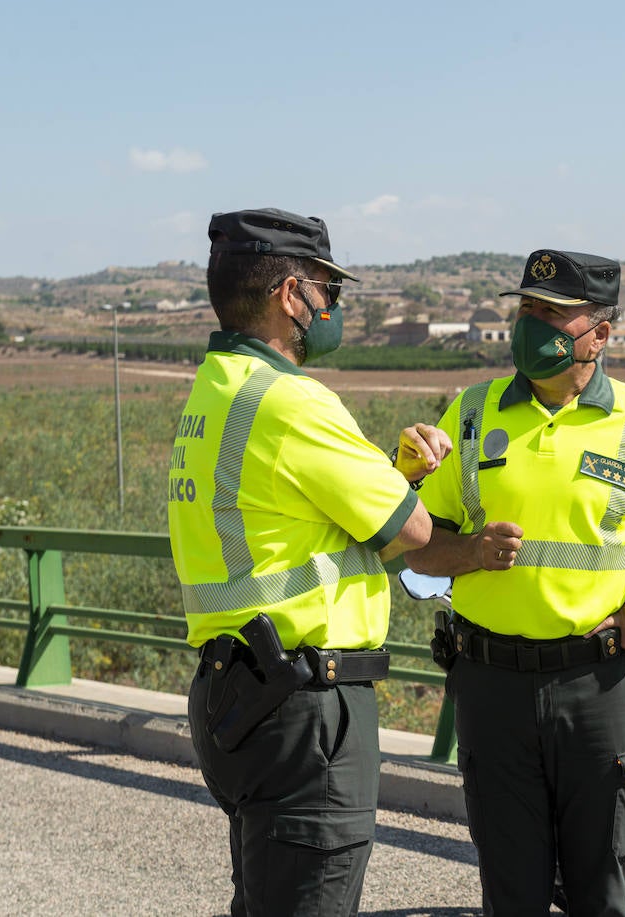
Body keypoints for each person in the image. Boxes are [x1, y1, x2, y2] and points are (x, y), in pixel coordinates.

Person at [405, 249, 625, 917]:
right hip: (490, 682)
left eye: (555, 314)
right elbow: (419, 550)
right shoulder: (470, 415)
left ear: (602, 333)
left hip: (598, 687)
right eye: (527, 309)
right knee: (512, 892)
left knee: (601, 892)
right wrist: (468, 549)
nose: (533, 326)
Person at [168, 207, 452, 917]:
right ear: (292, 295)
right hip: (306, 709)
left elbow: (297, 515)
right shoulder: (294, 401)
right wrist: (416, 488)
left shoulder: (215, 388)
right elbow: (411, 528)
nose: (334, 307)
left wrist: (390, 472)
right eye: (329, 291)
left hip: (235, 691)